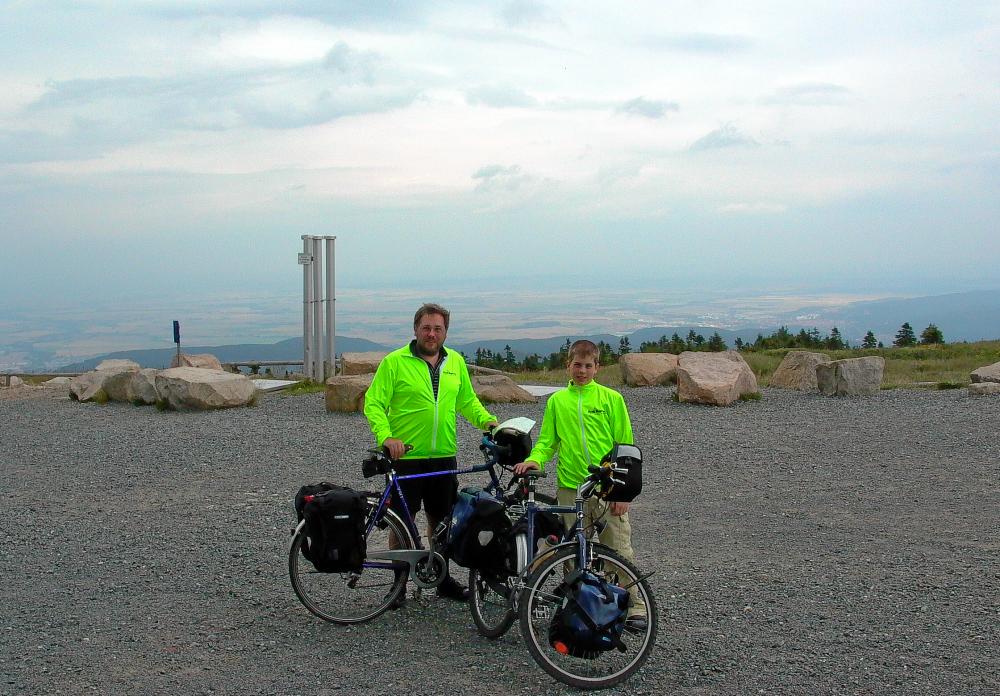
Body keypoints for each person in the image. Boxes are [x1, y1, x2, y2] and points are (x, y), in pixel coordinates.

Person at [364, 302, 498, 604]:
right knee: (402, 521)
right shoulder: (395, 362)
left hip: (443, 456)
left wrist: (487, 421)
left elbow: (467, 401)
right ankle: (398, 584)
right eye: (426, 328)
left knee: (442, 521)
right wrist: (387, 437)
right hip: (406, 457)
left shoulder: (455, 363)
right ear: (415, 329)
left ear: (446, 332)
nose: (432, 334)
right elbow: (374, 403)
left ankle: (442, 579)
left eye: (438, 329)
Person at [513, 339, 646, 626]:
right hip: (571, 487)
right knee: (572, 550)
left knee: (618, 547)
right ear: (568, 366)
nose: (582, 371)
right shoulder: (557, 402)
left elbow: (625, 446)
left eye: (588, 366)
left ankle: (634, 605)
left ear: (597, 367)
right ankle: (577, 604)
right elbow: (548, 441)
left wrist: (624, 491)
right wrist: (535, 459)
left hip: (607, 487)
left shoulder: (612, 399)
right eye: (577, 365)